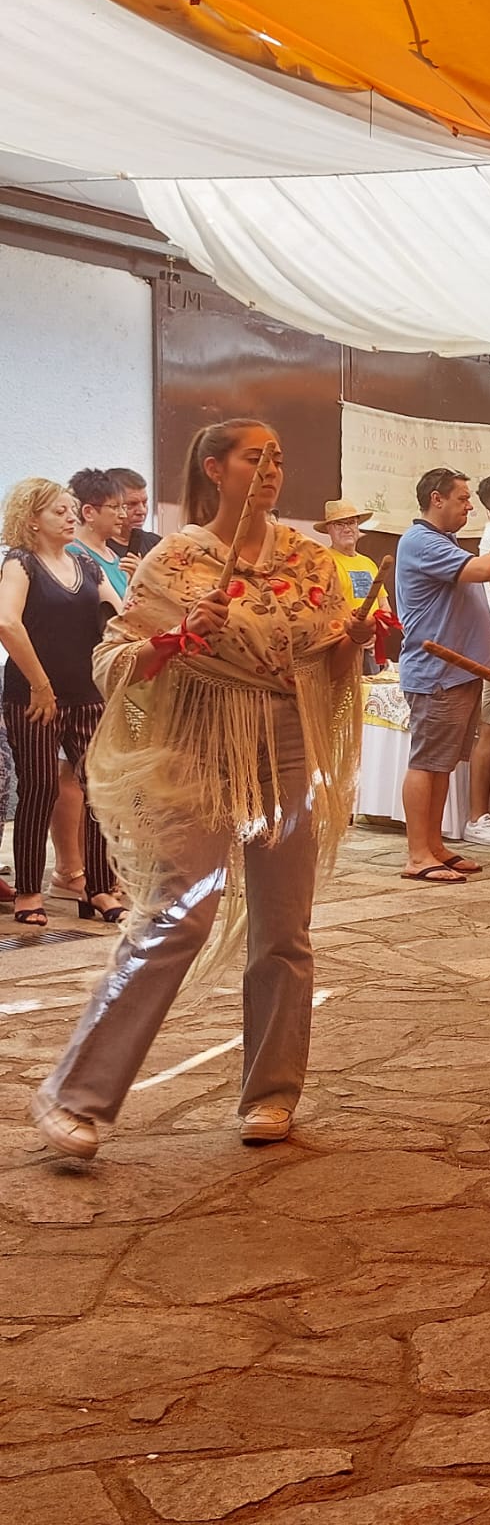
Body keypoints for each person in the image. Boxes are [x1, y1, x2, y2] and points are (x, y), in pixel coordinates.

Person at [29, 420, 374, 1159]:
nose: (273, 468)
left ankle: (271, 1094)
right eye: (257, 457)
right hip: (198, 736)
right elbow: (114, 656)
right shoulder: (176, 560)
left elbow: (327, 649)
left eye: (279, 456)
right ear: (215, 470)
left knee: (285, 928)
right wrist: (175, 635)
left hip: (286, 740)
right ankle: (77, 1096)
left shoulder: (311, 559)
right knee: (178, 916)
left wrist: (358, 642)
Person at [393, 467, 490, 882]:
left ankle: (434, 845)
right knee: (427, 763)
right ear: (436, 499)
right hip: (438, 670)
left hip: (459, 671)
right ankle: (418, 854)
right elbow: (482, 571)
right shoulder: (421, 541)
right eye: (461, 499)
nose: (469, 506)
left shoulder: (444, 542)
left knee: (442, 764)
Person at [0, 478, 126, 927]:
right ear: (32, 519)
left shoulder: (87, 567)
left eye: (72, 509)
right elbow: (8, 624)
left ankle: (98, 889)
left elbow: (122, 619)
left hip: (86, 696)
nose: (71, 516)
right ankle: (29, 891)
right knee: (40, 788)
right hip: (34, 698)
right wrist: (40, 685)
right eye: (59, 511)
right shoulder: (21, 563)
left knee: (99, 791)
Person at [64, 469, 134, 600]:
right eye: (114, 507)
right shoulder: (73, 555)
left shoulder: (114, 557)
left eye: (123, 507)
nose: (123, 515)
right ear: (89, 512)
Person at [313, 499, 380, 612]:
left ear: (357, 525)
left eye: (351, 523)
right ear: (328, 529)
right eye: (339, 524)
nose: (347, 529)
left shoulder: (369, 563)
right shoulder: (323, 561)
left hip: (372, 629)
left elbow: (383, 604)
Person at [110, 467, 160, 559]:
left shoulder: (157, 545)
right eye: (131, 504)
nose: (142, 511)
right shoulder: (101, 549)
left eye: (144, 503)